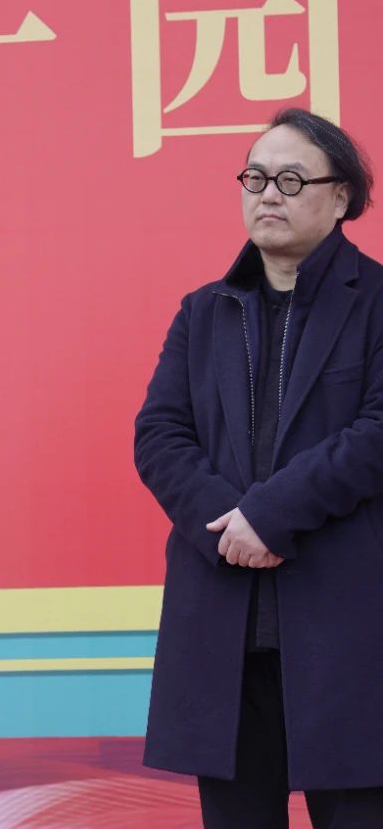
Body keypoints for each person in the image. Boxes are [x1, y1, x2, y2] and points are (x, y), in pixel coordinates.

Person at [135, 108, 383, 827]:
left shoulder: (374, 302)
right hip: (226, 628)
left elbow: (376, 431)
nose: (268, 194)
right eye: (256, 178)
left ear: (341, 197)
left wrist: (269, 516)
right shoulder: (203, 311)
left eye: (292, 180)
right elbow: (159, 435)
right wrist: (228, 527)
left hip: (349, 624)